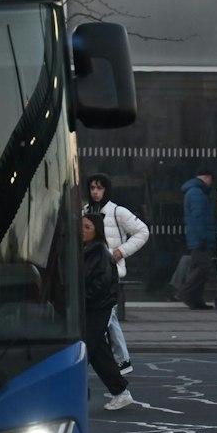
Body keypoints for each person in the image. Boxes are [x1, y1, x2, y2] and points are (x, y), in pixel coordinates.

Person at [86, 174, 149, 375]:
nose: (95, 191)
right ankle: (120, 360)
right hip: (94, 271)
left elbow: (142, 231)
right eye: (92, 188)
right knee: (107, 317)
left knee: (107, 316)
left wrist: (120, 252)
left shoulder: (117, 212)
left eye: (100, 188)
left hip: (110, 271)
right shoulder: (85, 212)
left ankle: (121, 360)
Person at [81, 212, 133, 410]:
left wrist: (80, 298)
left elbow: (99, 287)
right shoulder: (86, 250)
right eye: (81, 226)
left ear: (97, 231)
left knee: (85, 349)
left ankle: (70, 390)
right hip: (90, 307)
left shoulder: (100, 254)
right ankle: (120, 391)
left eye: (87, 227)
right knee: (97, 351)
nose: (82, 231)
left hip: (97, 308)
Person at [175, 170, 217, 309]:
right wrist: (203, 238)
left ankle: (196, 301)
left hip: (197, 238)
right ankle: (185, 292)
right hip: (200, 239)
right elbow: (198, 217)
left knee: (198, 268)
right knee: (203, 268)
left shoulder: (194, 192)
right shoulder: (197, 193)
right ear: (207, 177)